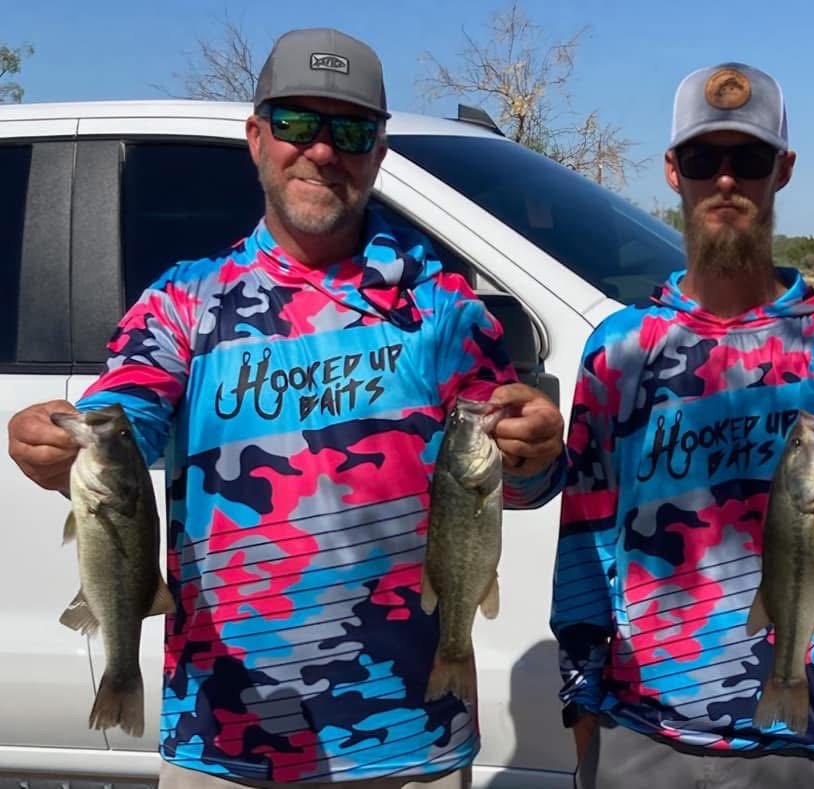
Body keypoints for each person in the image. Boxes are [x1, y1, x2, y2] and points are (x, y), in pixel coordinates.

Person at [7, 27, 565, 789]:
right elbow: (124, 420)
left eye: (351, 129)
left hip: (409, 736)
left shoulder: (441, 309)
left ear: (379, 148)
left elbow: (509, 480)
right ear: (256, 137)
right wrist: (58, 448)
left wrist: (536, 450)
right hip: (225, 733)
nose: (323, 150)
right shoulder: (183, 303)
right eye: (298, 124)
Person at [550, 62, 814, 788]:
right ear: (674, 171)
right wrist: (582, 697)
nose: (726, 180)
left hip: (790, 739)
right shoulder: (618, 351)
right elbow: (584, 537)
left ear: (783, 170)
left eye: (750, 158)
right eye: (705, 158)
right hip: (640, 729)